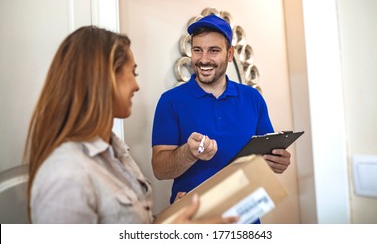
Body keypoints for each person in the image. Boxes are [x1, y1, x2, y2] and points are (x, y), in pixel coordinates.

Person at [23, 25, 237, 224]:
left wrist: (174, 219)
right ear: (103, 79)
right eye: (132, 73)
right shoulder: (64, 173)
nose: (136, 85)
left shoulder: (115, 150)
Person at [151, 14, 291, 222]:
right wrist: (189, 153)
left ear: (230, 54)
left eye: (214, 50)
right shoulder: (170, 101)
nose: (204, 59)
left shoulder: (253, 98)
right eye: (197, 50)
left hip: (246, 219)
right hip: (194, 221)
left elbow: (265, 156)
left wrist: (278, 161)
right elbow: (159, 170)